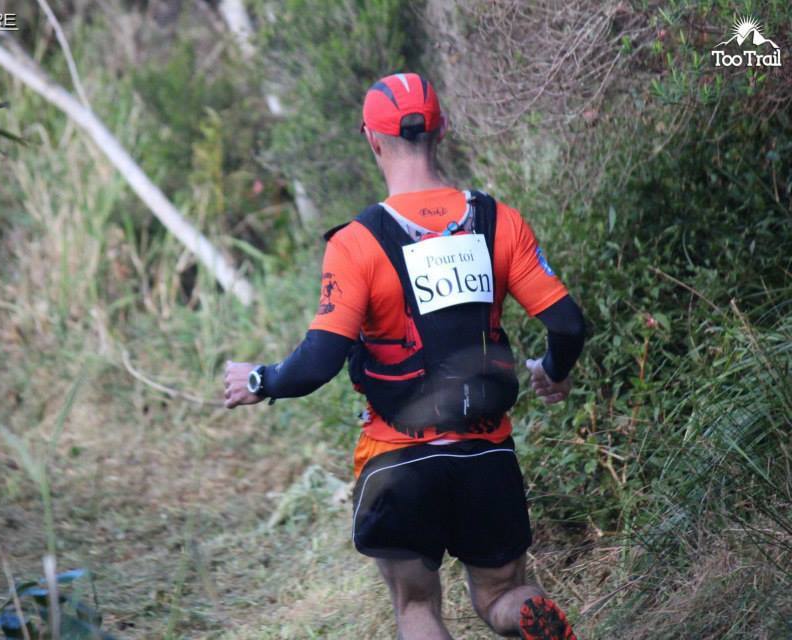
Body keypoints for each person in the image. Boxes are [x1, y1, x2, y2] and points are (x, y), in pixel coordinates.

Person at [224, 72, 586, 640]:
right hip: (485, 453)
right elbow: (567, 324)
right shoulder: (499, 223)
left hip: (398, 461)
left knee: (416, 607)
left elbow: (319, 361)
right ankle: (527, 611)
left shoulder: (358, 242)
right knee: (500, 594)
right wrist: (554, 371)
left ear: (372, 139)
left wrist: (260, 379)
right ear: (441, 130)